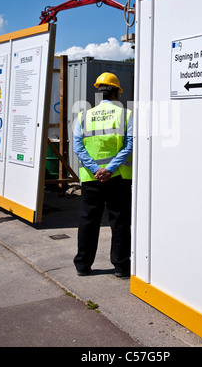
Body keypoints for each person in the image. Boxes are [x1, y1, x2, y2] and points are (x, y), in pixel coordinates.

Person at [73, 72, 133, 278]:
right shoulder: (126, 114)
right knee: (120, 222)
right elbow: (130, 146)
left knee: (88, 221)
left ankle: (82, 265)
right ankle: (121, 267)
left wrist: (95, 169)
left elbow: (78, 147)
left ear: (99, 92)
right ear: (117, 92)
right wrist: (110, 169)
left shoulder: (83, 116)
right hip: (118, 178)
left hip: (91, 179)